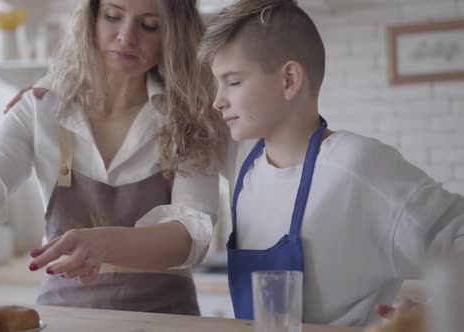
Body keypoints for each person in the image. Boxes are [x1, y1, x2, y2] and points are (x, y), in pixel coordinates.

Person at [0, 0, 225, 316]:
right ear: (90, 17)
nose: (126, 36)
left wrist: (103, 243)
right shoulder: (41, 107)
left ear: (172, 34)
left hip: (165, 319)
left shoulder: (190, 116)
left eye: (148, 25)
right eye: (112, 16)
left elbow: (190, 234)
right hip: (63, 315)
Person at [198, 0, 464, 326]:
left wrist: (429, 312)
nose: (217, 100)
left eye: (233, 81)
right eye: (217, 82)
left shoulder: (358, 166)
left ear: (289, 79)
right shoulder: (244, 168)